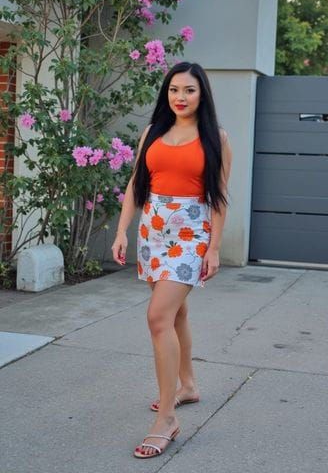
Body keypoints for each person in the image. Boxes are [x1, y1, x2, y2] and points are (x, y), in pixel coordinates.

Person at [111, 61, 233, 459]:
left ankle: (166, 419)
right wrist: (121, 231)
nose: (180, 97)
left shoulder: (216, 138)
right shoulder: (152, 132)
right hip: (153, 232)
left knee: (158, 317)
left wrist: (214, 248)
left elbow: (219, 197)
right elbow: (136, 184)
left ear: (202, 95)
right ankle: (188, 386)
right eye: (174, 90)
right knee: (176, 314)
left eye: (189, 90)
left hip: (190, 236)